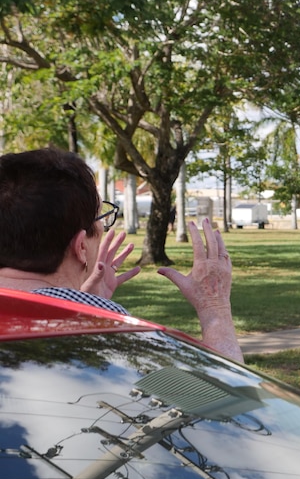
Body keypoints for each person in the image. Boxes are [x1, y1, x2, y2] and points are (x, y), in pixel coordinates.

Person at [0, 147, 243, 362]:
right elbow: (229, 404)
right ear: (81, 247)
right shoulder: (109, 329)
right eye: (101, 220)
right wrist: (215, 307)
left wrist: (77, 300)